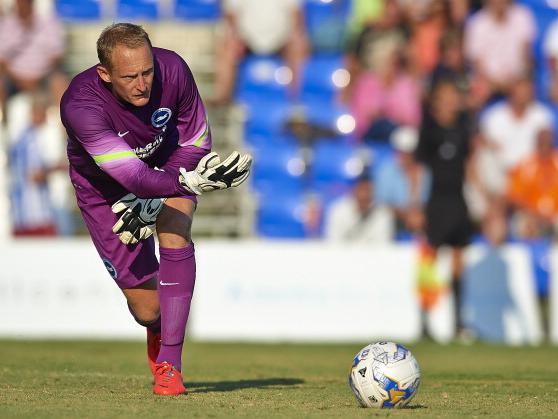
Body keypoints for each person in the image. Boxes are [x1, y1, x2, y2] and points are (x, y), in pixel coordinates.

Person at [60, 23, 252, 396]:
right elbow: (132, 176)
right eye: (130, 76)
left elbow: (196, 139)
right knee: (148, 310)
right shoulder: (80, 106)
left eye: (147, 71)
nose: (142, 83)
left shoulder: (174, 69)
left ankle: (170, 366)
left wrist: (173, 185)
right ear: (104, 74)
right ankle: (158, 329)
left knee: (176, 227)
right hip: (104, 191)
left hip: (169, 166)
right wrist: (184, 183)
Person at [414, 79, 476, 339]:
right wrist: (416, 205)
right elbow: (418, 169)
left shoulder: (463, 128)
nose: (452, 100)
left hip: (458, 200)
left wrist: (481, 197)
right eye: (447, 95)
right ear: (437, 100)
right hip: (436, 202)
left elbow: (470, 165)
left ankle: (458, 322)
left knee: (459, 262)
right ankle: (425, 322)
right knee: (429, 261)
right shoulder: (428, 130)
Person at [209, 0, 308, 106]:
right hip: (246, 39)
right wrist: (235, 34)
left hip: (282, 39)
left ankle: (296, 102)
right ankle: (223, 98)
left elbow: (296, 14)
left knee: (298, 45)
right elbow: (231, 14)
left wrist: (295, 34)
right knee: (227, 47)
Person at [0, 0, 66, 119]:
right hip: (13, 78)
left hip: (43, 77)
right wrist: (20, 79)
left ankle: (63, 129)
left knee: (60, 84)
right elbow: (2, 60)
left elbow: (56, 56)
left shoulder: (48, 23)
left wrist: (37, 77)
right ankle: (3, 126)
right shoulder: (6, 25)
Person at [323, 173, 394, 242]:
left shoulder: (383, 215)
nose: (364, 195)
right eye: (361, 190)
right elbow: (333, 243)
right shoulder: (338, 211)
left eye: (368, 191)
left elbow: (383, 246)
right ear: (353, 191)